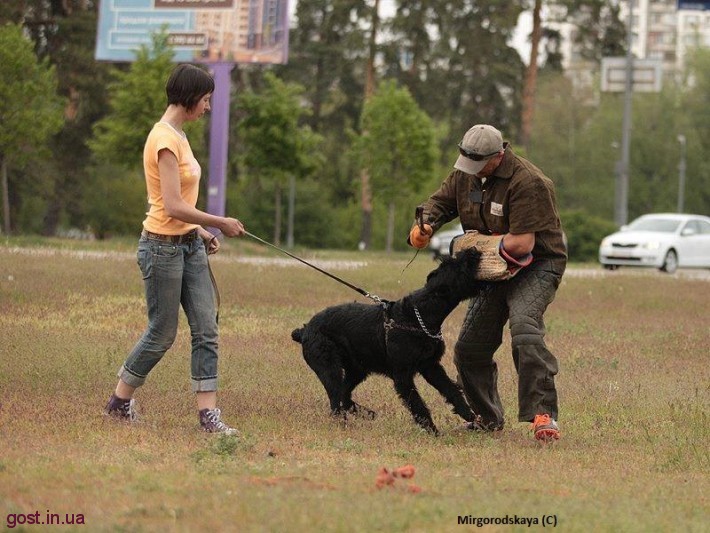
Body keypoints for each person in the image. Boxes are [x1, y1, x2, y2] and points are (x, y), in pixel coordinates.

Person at [104, 64, 246, 434]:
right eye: (205, 99)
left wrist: (199, 231)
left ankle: (208, 416)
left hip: (189, 246)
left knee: (206, 329)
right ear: (189, 97)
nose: (208, 107)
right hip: (160, 249)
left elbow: (179, 205)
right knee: (162, 333)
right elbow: (170, 205)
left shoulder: (180, 135)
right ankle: (119, 402)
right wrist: (219, 221)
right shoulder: (163, 139)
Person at [408, 124, 567, 441]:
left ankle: (543, 415)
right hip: (491, 267)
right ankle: (486, 416)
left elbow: (522, 244)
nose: (471, 169)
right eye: (467, 162)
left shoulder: (529, 182)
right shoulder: (465, 173)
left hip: (537, 265)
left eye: (478, 163)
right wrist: (424, 226)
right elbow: (439, 203)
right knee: (470, 348)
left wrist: (474, 244)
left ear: (498, 155)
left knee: (524, 329)